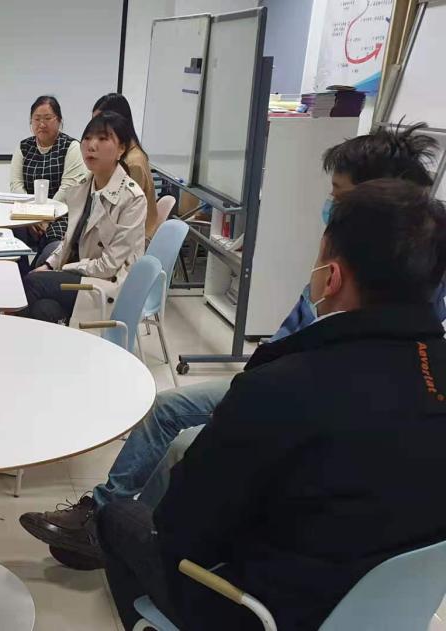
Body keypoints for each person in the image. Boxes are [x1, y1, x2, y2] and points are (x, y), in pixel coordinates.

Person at [19, 122, 446, 569]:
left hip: (283, 426)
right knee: (167, 409)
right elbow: (290, 340)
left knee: (185, 453)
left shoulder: (346, 338)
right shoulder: (401, 310)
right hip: (290, 393)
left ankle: (117, 529)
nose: (329, 207)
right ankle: (107, 515)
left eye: (338, 196)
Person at [100, 179, 446, 630]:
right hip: (391, 611)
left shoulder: (280, 388)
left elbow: (180, 530)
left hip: (268, 613)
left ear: (333, 277)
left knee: (117, 518)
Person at [20, 111, 146, 324]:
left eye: (103, 139)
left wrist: (65, 268)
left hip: (104, 284)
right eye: (87, 138)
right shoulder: (83, 187)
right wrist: (50, 266)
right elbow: (68, 242)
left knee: (30, 283)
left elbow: (109, 266)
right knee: (44, 309)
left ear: (121, 149)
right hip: (80, 277)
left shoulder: (132, 199)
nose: (91, 146)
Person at [10, 96, 89, 264]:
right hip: (28, 215)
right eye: (37, 119)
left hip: (61, 215)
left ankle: (35, 273)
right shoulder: (24, 147)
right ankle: (20, 272)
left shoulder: (71, 147)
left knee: (52, 247)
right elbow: (16, 185)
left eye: (47, 118)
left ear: (59, 120)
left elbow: (67, 189)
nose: (42, 124)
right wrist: (31, 217)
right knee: (12, 232)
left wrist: (44, 218)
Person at [92, 93, 158, 238]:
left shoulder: (133, 163)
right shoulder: (118, 154)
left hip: (132, 240)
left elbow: (123, 216)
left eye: (99, 123)